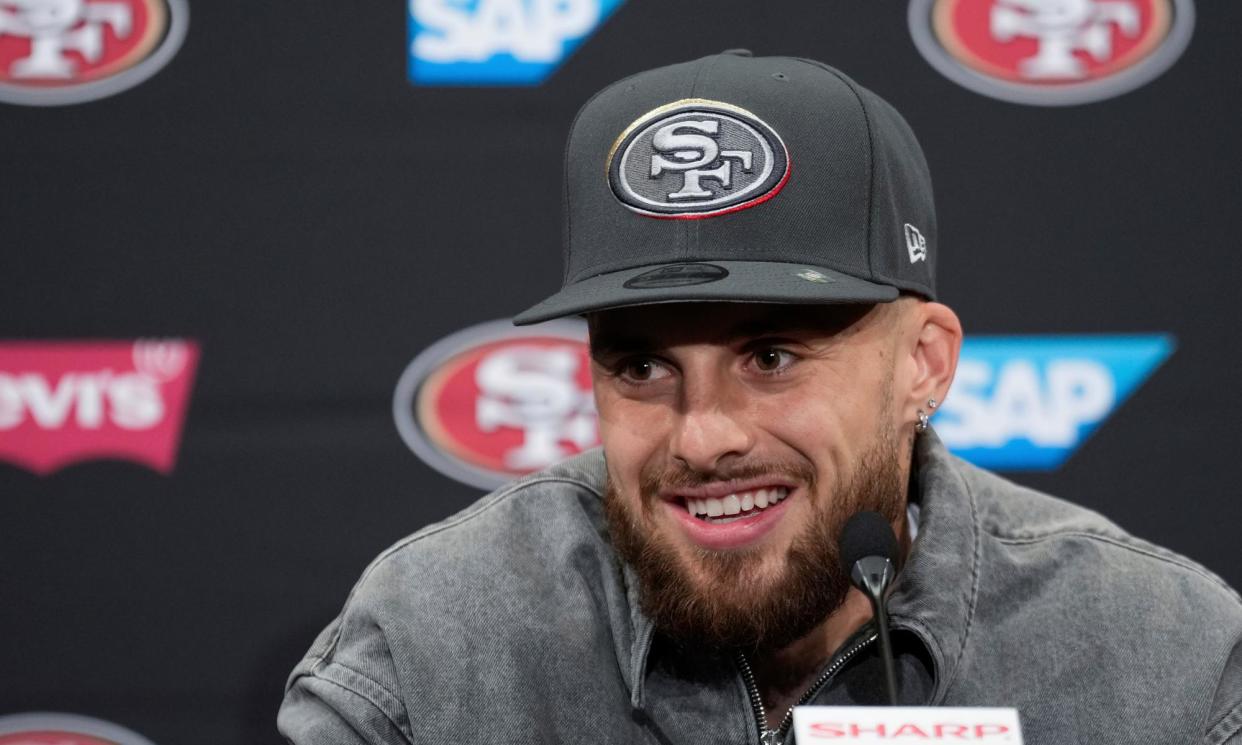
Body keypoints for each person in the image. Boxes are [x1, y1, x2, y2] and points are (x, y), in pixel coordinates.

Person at [278, 51, 1242, 744]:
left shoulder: (1159, 656)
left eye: (774, 354)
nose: (703, 437)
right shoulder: (434, 639)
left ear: (926, 365)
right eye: (642, 368)